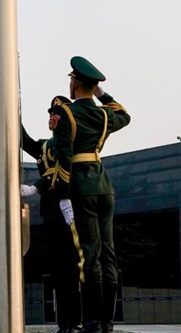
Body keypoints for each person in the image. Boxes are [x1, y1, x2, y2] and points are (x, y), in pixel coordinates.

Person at [51, 57, 131, 333]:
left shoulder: (66, 114)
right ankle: (107, 321)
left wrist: (62, 194)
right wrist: (102, 94)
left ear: (74, 83)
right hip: (103, 184)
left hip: (81, 185)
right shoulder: (105, 115)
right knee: (108, 254)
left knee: (88, 255)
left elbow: (63, 159)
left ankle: (92, 322)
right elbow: (125, 114)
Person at [20, 95, 81, 333]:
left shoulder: (72, 141)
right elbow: (25, 141)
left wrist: (37, 186)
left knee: (71, 266)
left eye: (58, 113)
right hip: (50, 209)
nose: (53, 117)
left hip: (69, 205)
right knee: (58, 268)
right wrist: (13, 112)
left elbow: (61, 168)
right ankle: (63, 323)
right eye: (51, 114)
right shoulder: (46, 146)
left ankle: (75, 321)